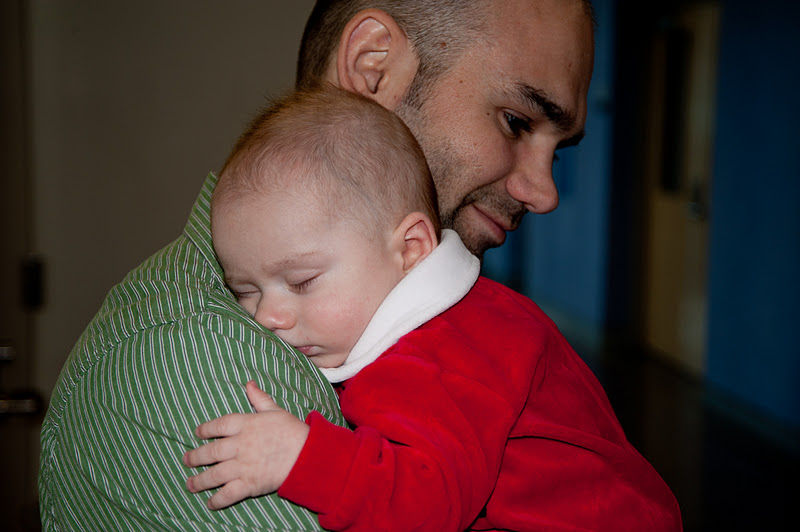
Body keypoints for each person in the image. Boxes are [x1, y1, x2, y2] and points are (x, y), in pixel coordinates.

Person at [38, 0, 678, 530]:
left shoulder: (450, 337)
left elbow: (429, 493)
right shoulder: (197, 359)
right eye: (516, 121)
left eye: (558, 152)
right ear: (373, 69)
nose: (545, 193)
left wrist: (307, 460)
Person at [180, 86, 681, 531]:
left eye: (302, 281)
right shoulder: (453, 315)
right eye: (245, 291)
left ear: (411, 249)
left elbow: (426, 506)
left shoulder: (439, 352)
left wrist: (300, 458)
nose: (268, 316)